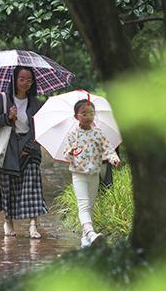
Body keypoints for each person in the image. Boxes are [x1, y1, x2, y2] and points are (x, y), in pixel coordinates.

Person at [0, 66, 48, 239]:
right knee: (8, 187)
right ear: (14, 79)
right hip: (8, 150)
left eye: (29, 80)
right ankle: (8, 221)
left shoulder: (36, 103)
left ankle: (33, 225)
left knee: (32, 186)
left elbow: (40, 130)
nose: (25, 83)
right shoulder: (2, 100)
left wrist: (28, 148)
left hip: (29, 150)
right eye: (21, 79)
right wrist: (7, 118)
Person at [64, 99, 121, 248]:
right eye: (84, 113)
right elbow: (66, 155)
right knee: (83, 205)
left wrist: (114, 159)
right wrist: (70, 152)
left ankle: (85, 240)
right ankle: (90, 233)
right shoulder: (73, 135)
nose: (88, 116)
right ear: (76, 116)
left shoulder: (98, 133)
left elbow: (108, 149)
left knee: (89, 205)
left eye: (91, 113)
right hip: (79, 174)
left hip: (94, 174)